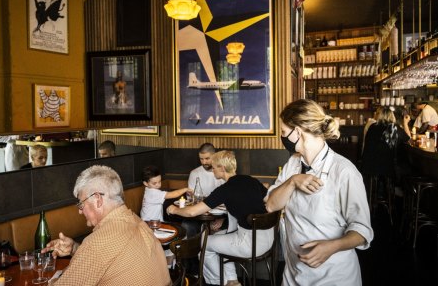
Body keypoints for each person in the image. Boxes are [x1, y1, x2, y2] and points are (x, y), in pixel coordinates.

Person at [265, 99, 373, 286]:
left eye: (283, 132)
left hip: (334, 276)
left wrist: (332, 246)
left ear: (297, 132)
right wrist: (292, 182)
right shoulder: (293, 164)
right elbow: (271, 205)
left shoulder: (344, 171)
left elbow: (362, 231)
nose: (282, 137)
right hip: (293, 273)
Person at [42, 165, 171, 285]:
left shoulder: (98, 243)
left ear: (98, 199)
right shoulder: (138, 222)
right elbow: (109, 257)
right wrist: (75, 248)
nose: (80, 211)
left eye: (81, 204)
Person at [167, 150, 272, 286]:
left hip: (251, 243)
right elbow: (269, 201)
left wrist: (174, 209)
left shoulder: (225, 189)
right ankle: (232, 281)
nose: (212, 171)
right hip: (268, 237)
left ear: (222, 168)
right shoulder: (249, 179)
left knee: (203, 245)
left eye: (214, 167)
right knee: (214, 236)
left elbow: (192, 212)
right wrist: (224, 220)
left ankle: (220, 282)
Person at [361, 107, 411, 182]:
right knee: (408, 165)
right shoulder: (395, 127)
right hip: (388, 167)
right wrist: (405, 123)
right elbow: (408, 139)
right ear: (392, 116)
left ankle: (376, 190)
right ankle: (397, 189)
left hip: (369, 164)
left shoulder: (372, 127)